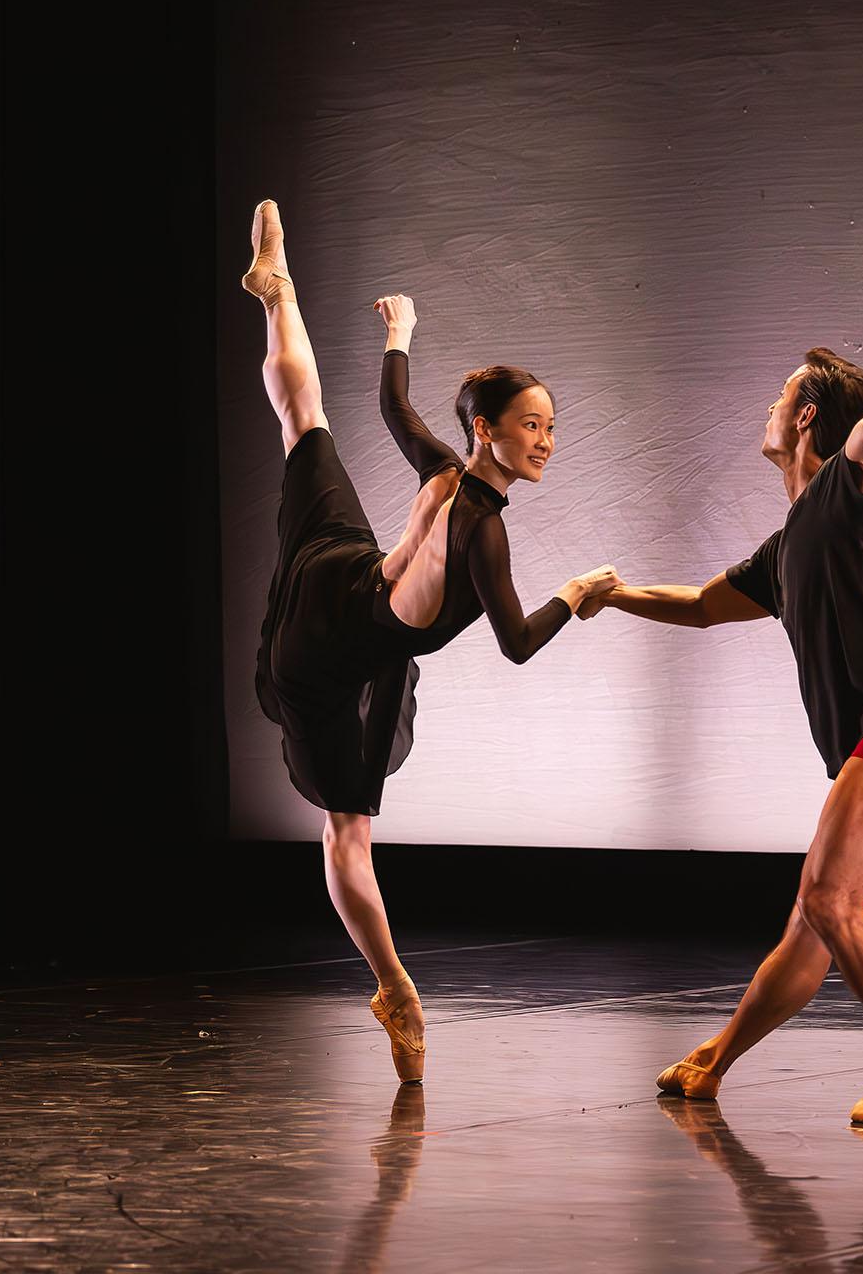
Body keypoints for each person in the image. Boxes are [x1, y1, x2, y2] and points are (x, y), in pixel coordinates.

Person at [583, 329, 863, 1122]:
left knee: (830, 897)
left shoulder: (846, 490)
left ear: (805, 417)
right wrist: (613, 594)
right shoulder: (787, 546)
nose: (769, 408)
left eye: (780, 396)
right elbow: (704, 606)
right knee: (814, 921)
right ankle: (714, 1061)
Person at [242, 201, 618, 1083]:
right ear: (488, 427)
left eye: (552, 428)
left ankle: (277, 292)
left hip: (334, 572)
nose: (547, 443)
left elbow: (393, 405)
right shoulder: (484, 528)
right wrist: (577, 594)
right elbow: (518, 644)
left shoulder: (444, 469)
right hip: (332, 661)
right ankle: (396, 990)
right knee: (347, 834)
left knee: (305, 420)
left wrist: (400, 333)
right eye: (534, 426)